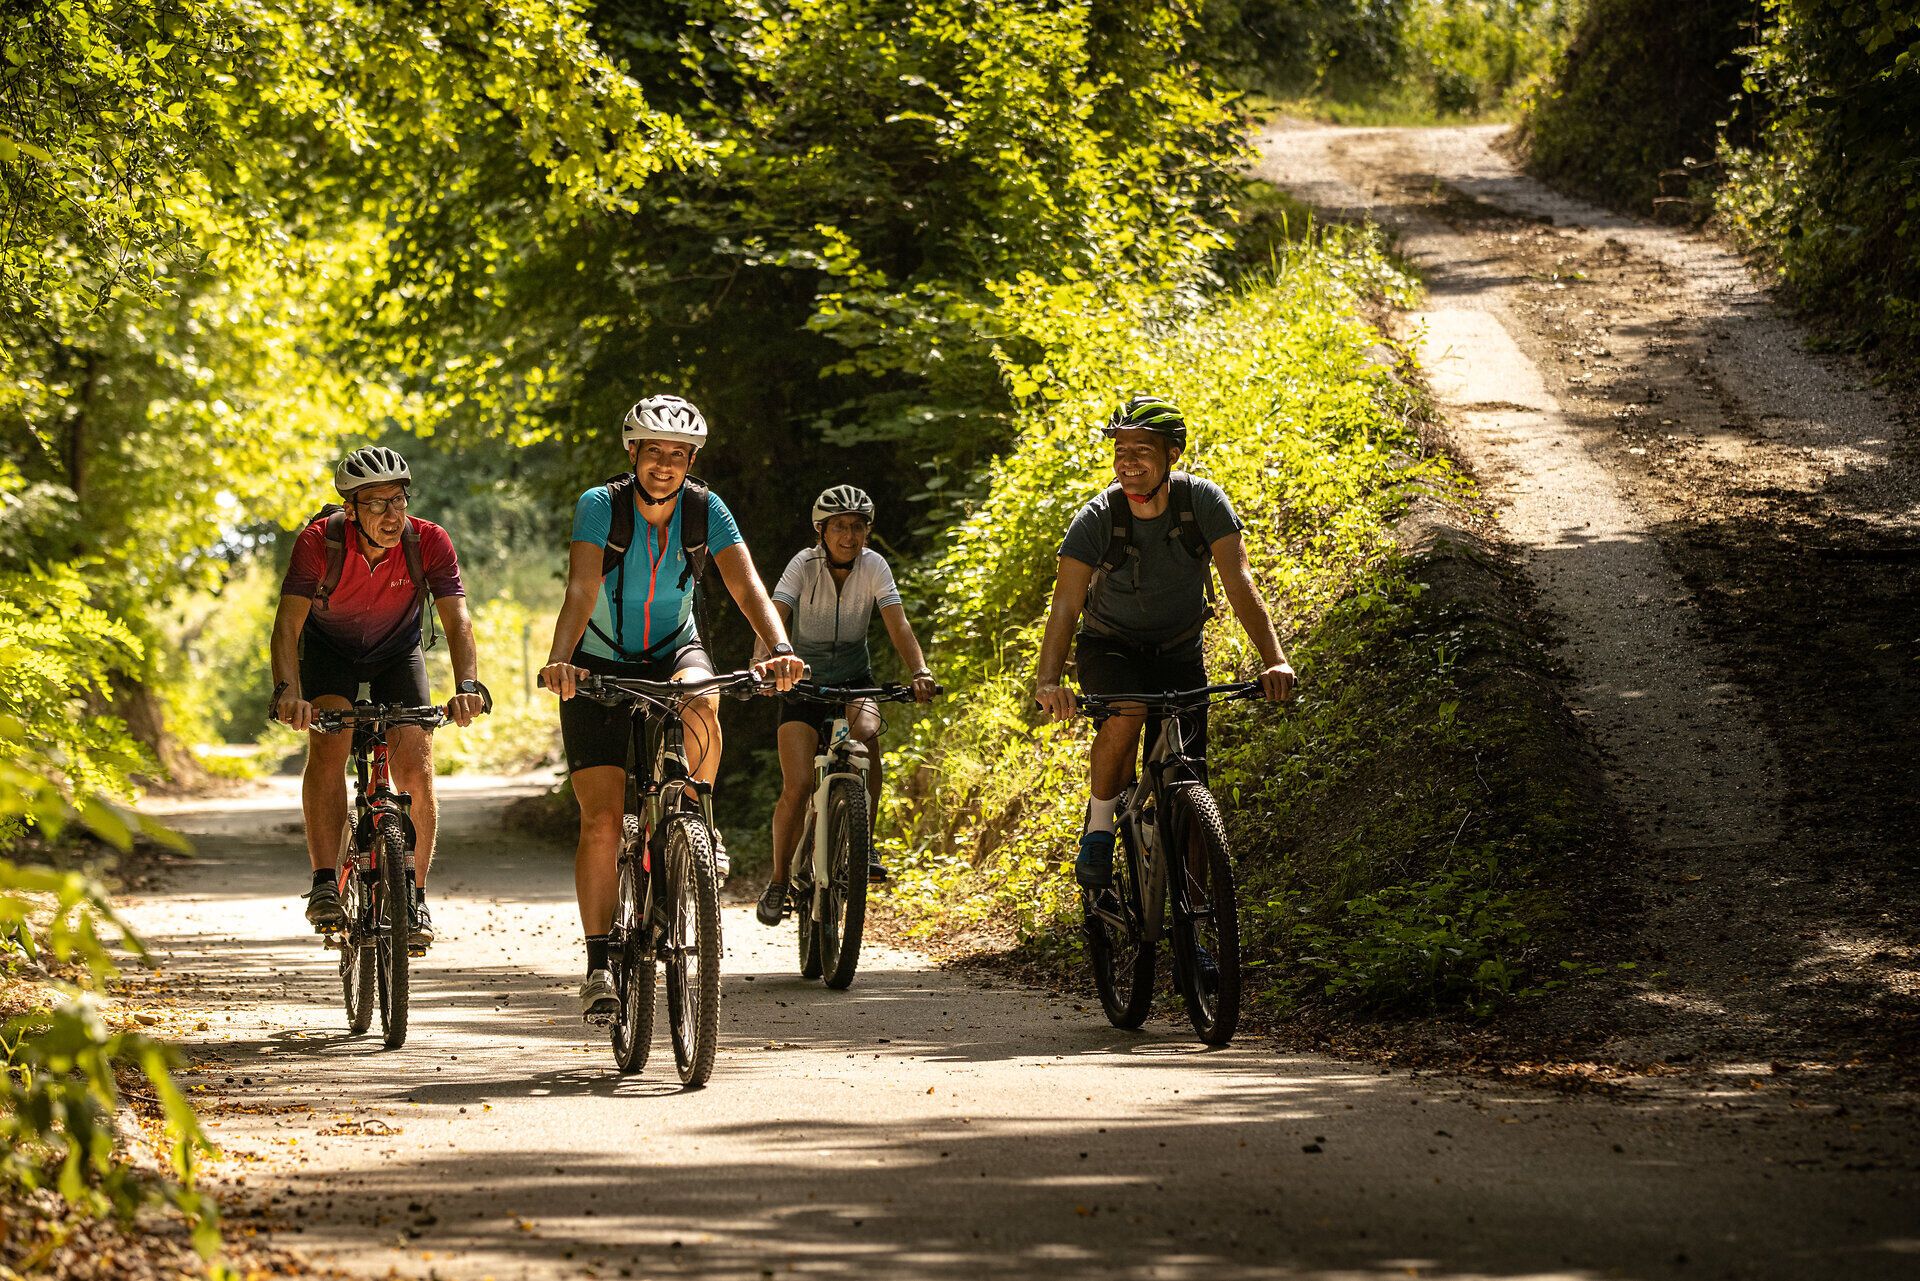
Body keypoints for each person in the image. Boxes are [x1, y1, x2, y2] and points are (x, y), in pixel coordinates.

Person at [540, 394, 805, 1023]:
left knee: (703, 691)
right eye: (655, 452)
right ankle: (600, 962)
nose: (666, 464)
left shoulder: (704, 509)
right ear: (633, 453)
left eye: (679, 454)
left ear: (692, 460)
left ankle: (695, 821)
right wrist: (561, 659)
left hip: (672, 648)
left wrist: (782, 647)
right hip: (597, 660)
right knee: (603, 821)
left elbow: (747, 586)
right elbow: (582, 587)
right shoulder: (600, 505)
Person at [1033, 395, 1295, 889]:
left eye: (1142, 451)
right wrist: (1050, 681)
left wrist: (1274, 661)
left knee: (1192, 780)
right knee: (1127, 711)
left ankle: (1196, 923)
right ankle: (1100, 825)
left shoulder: (1202, 503)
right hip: (1111, 647)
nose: (1128, 463)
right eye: (1120, 451)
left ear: (1172, 455)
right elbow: (1066, 605)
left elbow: (1239, 584)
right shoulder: (1097, 518)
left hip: (1179, 649)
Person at [271, 445, 489, 951]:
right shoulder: (318, 543)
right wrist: (288, 694)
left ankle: (413, 896)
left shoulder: (429, 541)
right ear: (350, 509)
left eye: (398, 500)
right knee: (331, 740)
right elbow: (287, 626)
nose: (392, 515)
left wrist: (468, 685)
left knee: (416, 759)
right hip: (330, 653)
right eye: (376, 504)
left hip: (398, 652)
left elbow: (457, 620)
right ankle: (326, 880)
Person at [755, 485, 937, 927]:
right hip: (801, 681)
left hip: (856, 680)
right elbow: (773, 613)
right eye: (840, 527)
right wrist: (761, 664)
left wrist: (920, 672)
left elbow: (898, 624)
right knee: (797, 785)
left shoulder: (874, 566)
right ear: (822, 531)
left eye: (858, 527)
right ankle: (779, 881)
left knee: (869, 736)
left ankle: (864, 841)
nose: (850, 536)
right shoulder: (804, 564)